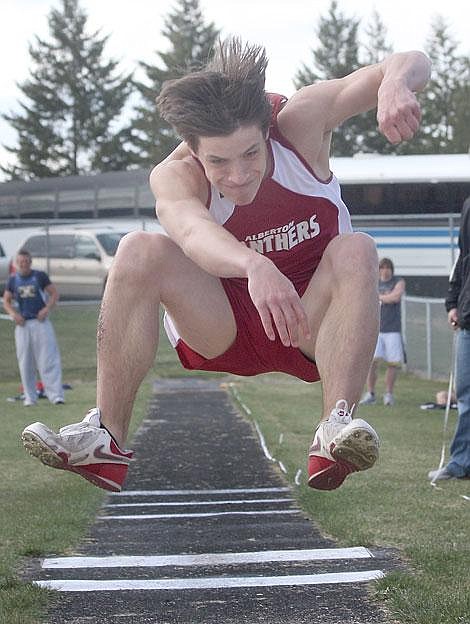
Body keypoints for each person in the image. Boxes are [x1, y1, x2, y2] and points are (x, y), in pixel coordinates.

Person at [21, 37, 431, 493]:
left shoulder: (301, 121)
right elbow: (192, 232)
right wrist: (254, 266)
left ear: (266, 130)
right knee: (138, 248)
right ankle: (105, 436)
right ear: (193, 150)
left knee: (357, 249)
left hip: (310, 325)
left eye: (251, 154)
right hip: (222, 326)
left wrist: (394, 83)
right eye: (218, 161)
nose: (237, 175)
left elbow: (407, 61)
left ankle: (334, 428)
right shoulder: (175, 175)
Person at [429, 195, 470, 481]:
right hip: (467, 316)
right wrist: (452, 302)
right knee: (466, 394)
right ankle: (461, 462)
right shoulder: (468, 205)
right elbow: (463, 259)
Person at [3, 249, 64, 406]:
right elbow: (7, 301)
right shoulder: (13, 280)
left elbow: (54, 294)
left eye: (26, 261)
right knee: (25, 362)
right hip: (23, 325)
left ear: (30, 262)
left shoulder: (39, 276)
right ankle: (30, 397)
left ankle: (56, 396)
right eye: (20, 262)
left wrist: (46, 309)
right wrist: (14, 314)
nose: (24, 265)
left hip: (40, 323)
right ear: (17, 263)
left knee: (48, 359)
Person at [360, 257, 405, 406]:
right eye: (382, 268)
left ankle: (389, 394)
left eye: (388, 268)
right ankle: (371, 393)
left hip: (392, 329)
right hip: (375, 329)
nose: (385, 271)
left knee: (393, 363)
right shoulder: (373, 282)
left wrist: (378, 297)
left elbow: (395, 297)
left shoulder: (398, 282)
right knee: (372, 362)